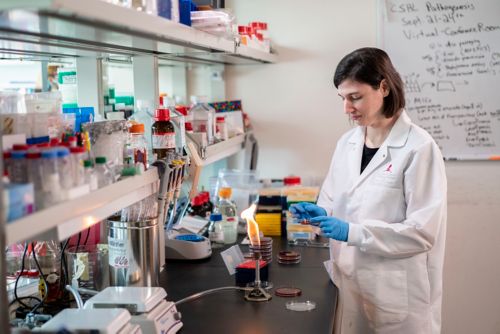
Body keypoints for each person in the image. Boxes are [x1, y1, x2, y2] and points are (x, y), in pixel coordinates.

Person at [290, 47, 447, 334]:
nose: (347, 109)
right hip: (349, 283)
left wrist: (351, 231)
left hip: (395, 296)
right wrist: (320, 212)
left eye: (355, 97)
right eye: (343, 98)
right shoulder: (347, 143)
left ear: (383, 87)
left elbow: (422, 233)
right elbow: (332, 200)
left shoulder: (419, 148)